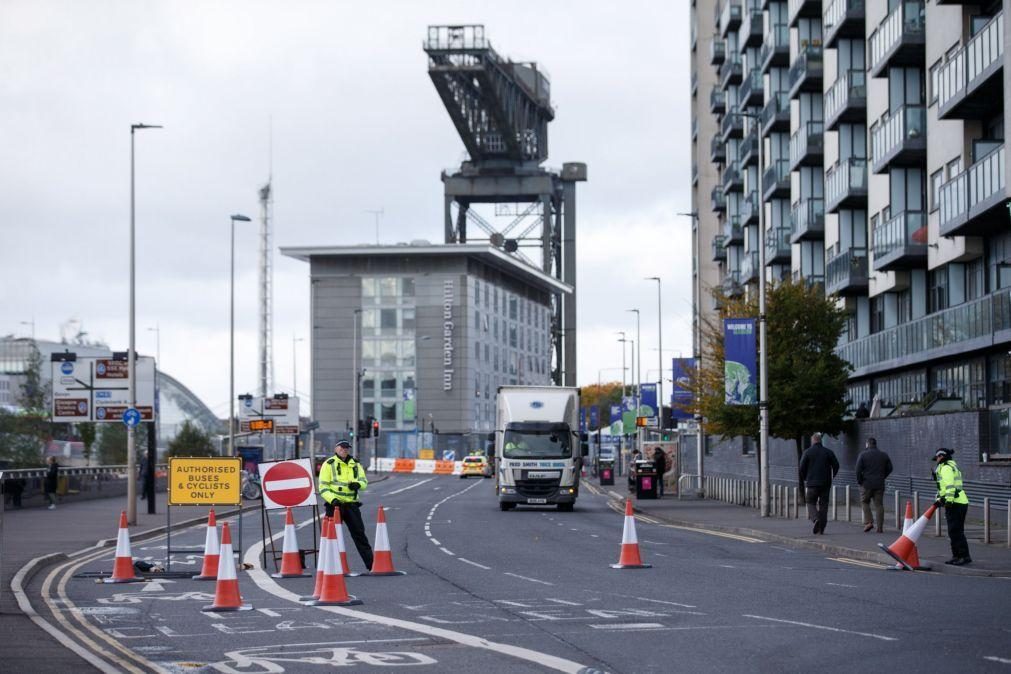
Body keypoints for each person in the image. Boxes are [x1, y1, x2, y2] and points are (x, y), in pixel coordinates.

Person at [317, 440, 373, 571]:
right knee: (330, 537)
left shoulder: (355, 464)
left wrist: (358, 485)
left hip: (352, 505)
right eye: (342, 448)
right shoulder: (329, 464)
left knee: (360, 534)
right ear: (336, 449)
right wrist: (333, 499)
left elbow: (364, 481)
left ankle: (372, 565)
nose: (345, 450)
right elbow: (323, 487)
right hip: (335, 506)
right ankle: (327, 567)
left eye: (347, 448)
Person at [932, 448, 971, 566]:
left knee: (956, 531)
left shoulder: (946, 468)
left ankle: (964, 556)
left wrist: (947, 502)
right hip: (956, 502)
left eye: (937, 458)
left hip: (956, 503)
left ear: (942, 456)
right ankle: (956, 556)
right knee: (953, 531)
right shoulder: (946, 467)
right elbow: (942, 488)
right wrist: (939, 500)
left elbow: (950, 487)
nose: (936, 460)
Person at [798, 433, 839, 535]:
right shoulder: (828, 452)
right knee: (823, 505)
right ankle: (822, 528)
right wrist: (832, 476)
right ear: (820, 440)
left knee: (810, 501)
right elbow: (836, 465)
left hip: (812, 483)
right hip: (825, 483)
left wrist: (805, 478)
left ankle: (816, 519)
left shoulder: (807, 452)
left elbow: (801, 467)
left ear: (812, 441)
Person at [855, 437, 892, 533]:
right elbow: (890, 468)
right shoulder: (884, 455)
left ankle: (869, 522)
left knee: (864, 502)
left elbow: (858, 470)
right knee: (879, 505)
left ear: (867, 444)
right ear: (875, 444)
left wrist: (860, 481)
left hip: (866, 483)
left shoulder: (863, 455)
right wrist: (883, 476)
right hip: (879, 484)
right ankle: (880, 528)